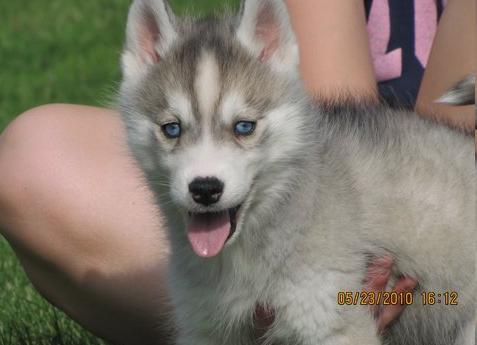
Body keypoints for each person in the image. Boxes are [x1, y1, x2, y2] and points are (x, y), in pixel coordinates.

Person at [0, 0, 473, 344]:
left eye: (241, 128)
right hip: (329, 198)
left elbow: (452, 165)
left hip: (432, 231)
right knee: (33, 153)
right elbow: (325, 113)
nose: (205, 171)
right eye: (172, 130)